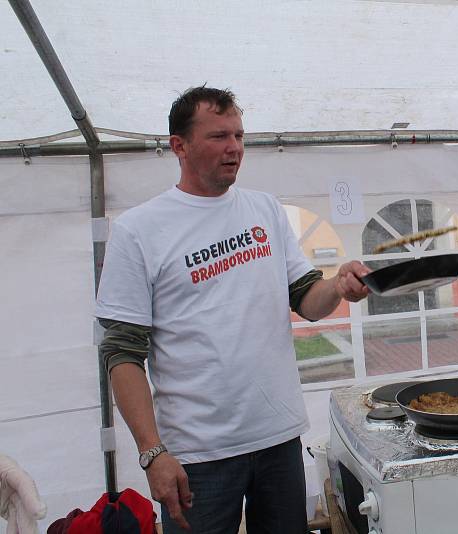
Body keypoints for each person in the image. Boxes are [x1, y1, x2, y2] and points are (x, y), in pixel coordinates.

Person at [95, 86, 371, 533]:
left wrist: (338, 285)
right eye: (219, 136)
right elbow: (122, 353)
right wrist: (152, 453)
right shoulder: (139, 230)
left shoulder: (264, 209)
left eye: (240, 136)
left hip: (278, 438)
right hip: (197, 456)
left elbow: (306, 298)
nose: (235, 148)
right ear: (179, 146)